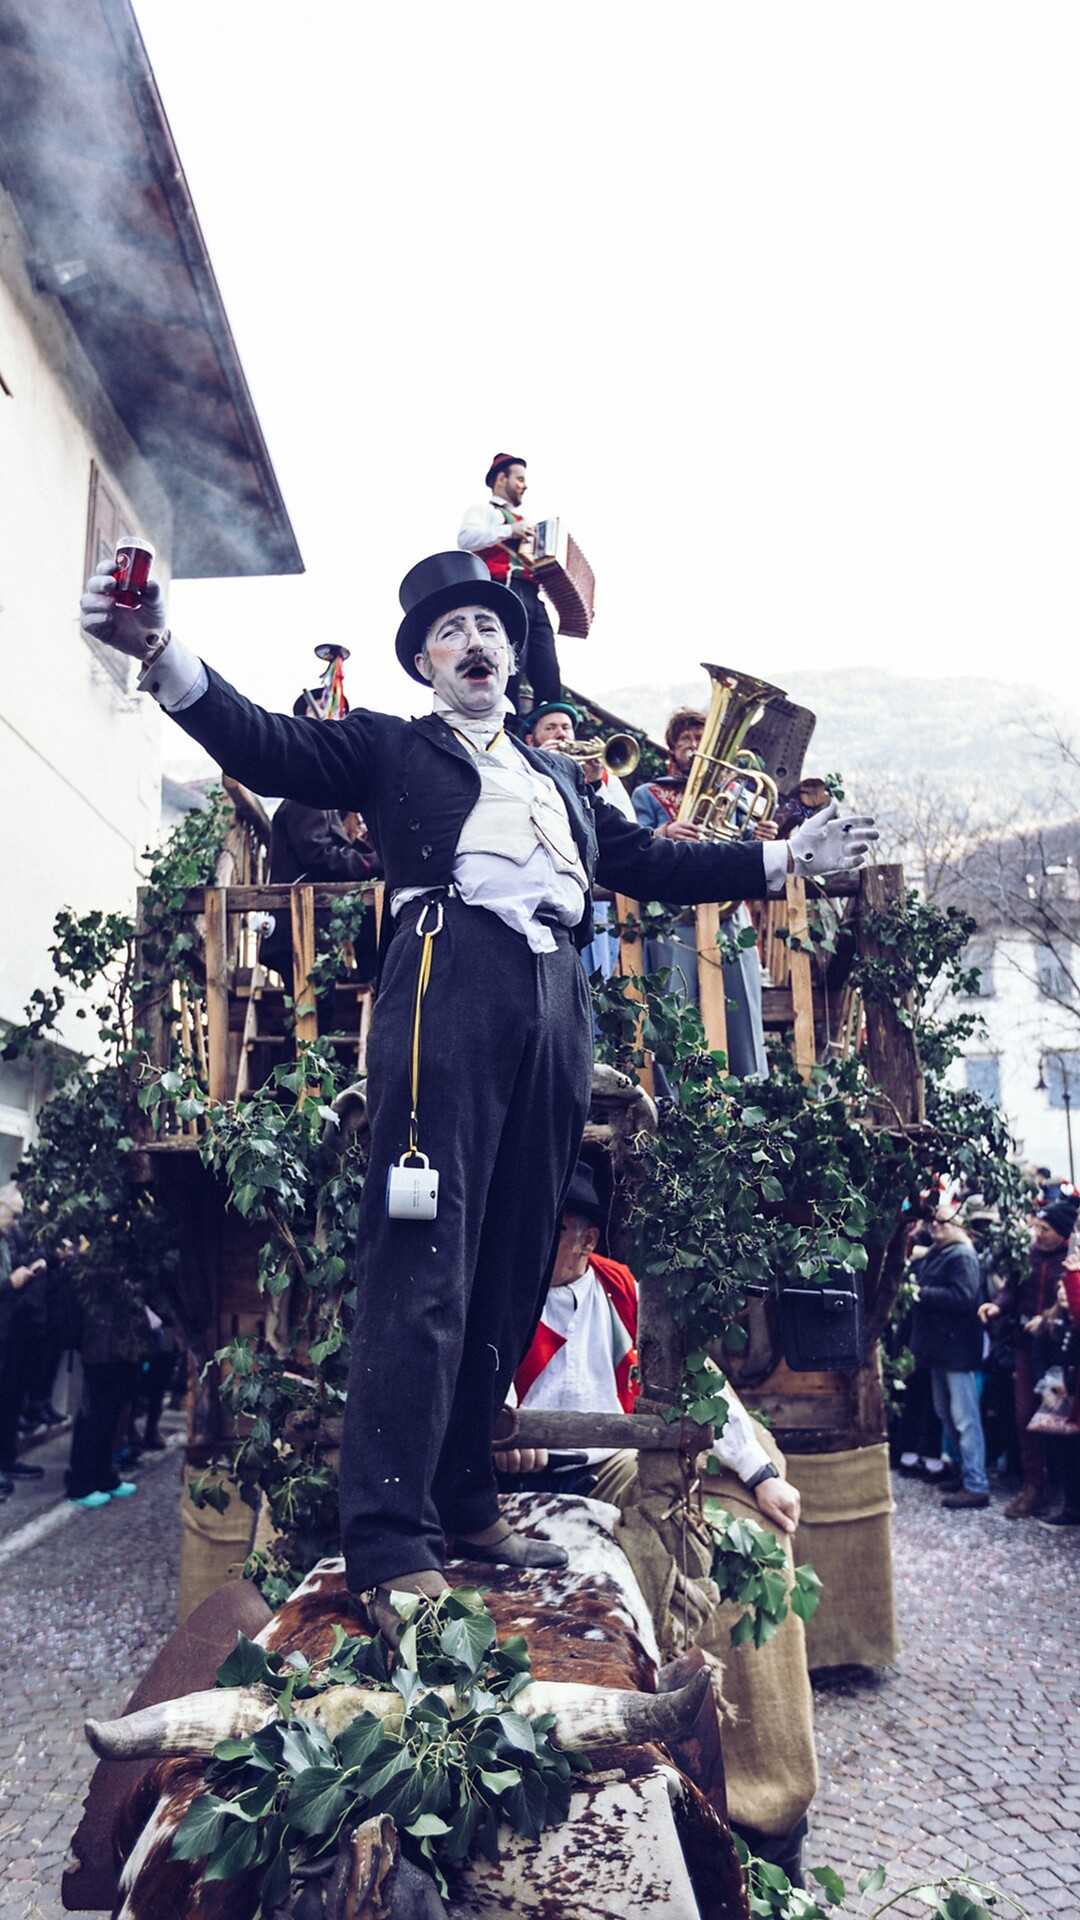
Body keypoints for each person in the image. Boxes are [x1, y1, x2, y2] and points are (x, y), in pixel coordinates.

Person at [80, 547, 876, 1638]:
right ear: (424, 662)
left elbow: (651, 862)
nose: (474, 643)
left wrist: (783, 857)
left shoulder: (562, 781)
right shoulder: (391, 747)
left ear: (512, 655)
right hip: (446, 977)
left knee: (510, 1264)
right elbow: (265, 741)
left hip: (554, 995)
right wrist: (163, 651)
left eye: (490, 628)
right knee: (422, 1261)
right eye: (449, 631)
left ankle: (464, 1498)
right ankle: (388, 1539)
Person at [497, 1161, 813, 1883]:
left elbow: (696, 1381)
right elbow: (469, 1389)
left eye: (589, 1228)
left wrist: (759, 1473)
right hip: (515, 1475)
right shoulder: (500, 1291)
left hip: (609, 1462)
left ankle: (731, 1775)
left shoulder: (621, 1289)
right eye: (565, 1228)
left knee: (678, 1536)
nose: (581, 1241)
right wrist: (497, 1436)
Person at [633, 707, 771, 1080]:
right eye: (686, 740)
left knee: (742, 1002)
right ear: (672, 750)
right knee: (673, 1005)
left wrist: (760, 837)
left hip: (728, 912)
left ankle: (750, 1090)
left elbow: (745, 840)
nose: (694, 745)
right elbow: (633, 844)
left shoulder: (735, 791)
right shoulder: (648, 794)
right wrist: (664, 833)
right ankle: (675, 1098)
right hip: (673, 915)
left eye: (701, 738)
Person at [979, 1192, 1079, 1518]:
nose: (1037, 1234)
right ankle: (1035, 1485)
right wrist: (998, 1306)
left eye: (1044, 1230)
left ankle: (1066, 1494)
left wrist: (1047, 1319)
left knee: (1064, 1422)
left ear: (1062, 1233)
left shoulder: (1072, 1260)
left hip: (1061, 1350)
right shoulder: (1029, 1255)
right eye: (1036, 1228)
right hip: (1026, 1345)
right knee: (1025, 1416)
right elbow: (1012, 1288)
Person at [457, 452, 561, 713]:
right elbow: (466, 539)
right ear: (501, 479)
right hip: (506, 589)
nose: (524, 485)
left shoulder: (525, 522)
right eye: (520, 479)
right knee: (511, 664)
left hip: (533, 595)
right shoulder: (484, 511)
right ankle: (507, 724)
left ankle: (548, 723)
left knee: (547, 668)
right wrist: (508, 530)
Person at [910, 1205, 991, 1510]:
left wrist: (921, 1293)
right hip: (942, 1350)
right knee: (947, 1414)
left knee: (965, 1419)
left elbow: (963, 1297)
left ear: (959, 1225)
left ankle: (976, 1484)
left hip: (956, 1350)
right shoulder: (940, 1252)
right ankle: (964, 1473)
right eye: (933, 1221)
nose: (936, 1225)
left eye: (944, 1221)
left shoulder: (962, 1255)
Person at [0, 1185, 48, 1489]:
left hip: (8, 1328)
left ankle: (6, 1459)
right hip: (10, 1325)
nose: (16, 1222)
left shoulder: (5, 1238)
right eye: (14, 1215)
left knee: (9, 1398)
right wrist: (11, 1282)